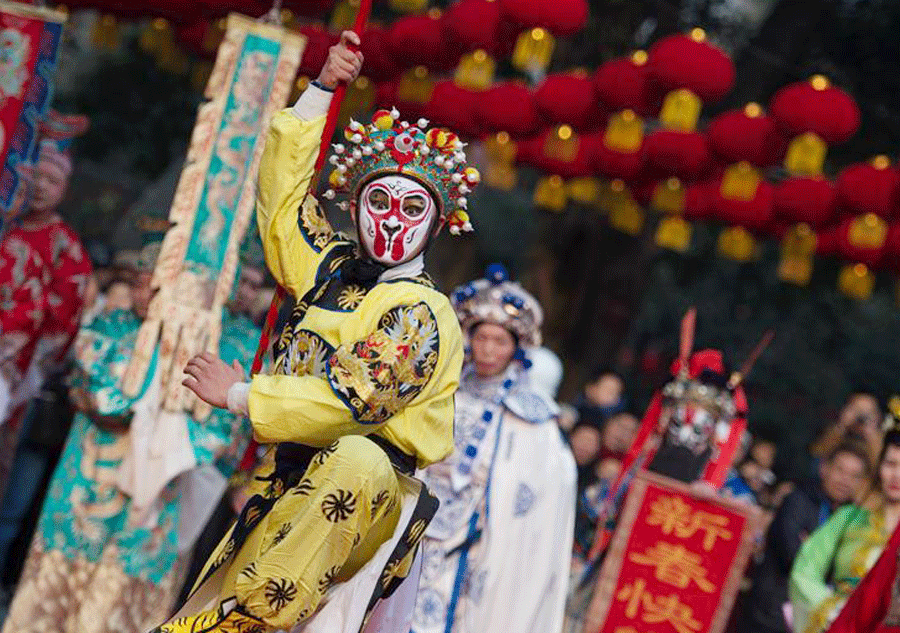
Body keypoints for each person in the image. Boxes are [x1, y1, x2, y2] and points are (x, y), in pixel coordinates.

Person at [159, 31, 479, 633]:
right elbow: (280, 206)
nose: (390, 220)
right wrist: (321, 92)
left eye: (412, 210)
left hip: (358, 494)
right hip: (291, 479)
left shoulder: (422, 312)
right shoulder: (330, 268)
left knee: (354, 460)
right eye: (378, 201)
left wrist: (240, 394)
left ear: (436, 225)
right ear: (354, 208)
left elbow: (352, 401)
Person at [2, 240, 257, 633]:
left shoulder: (228, 345)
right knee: (52, 594)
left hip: (159, 504)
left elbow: (226, 427)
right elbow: (91, 388)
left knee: (124, 593)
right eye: (140, 283)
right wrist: (144, 401)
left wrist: (169, 426)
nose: (145, 295)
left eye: (157, 287)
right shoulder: (112, 326)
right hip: (85, 487)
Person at [410, 265, 577, 633]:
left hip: (476, 536)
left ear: (516, 348)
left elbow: (538, 493)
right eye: (481, 337)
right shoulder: (440, 388)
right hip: (412, 519)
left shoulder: (532, 417)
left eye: (499, 341)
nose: (487, 349)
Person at [0, 112, 92, 486]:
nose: (40, 186)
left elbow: (63, 320)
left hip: (16, 368)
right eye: (35, 176)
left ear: (64, 190)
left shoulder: (66, 248)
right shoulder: (6, 225)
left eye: (51, 180)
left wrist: (24, 365)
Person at [741, 441, 870, 633]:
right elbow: (793, 555)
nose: (845, 480)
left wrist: (811, 547)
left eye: (854, 476)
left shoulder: (855, 521)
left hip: (814, 620)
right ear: (824, 468)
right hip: (772, 615)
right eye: (840, 470)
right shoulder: (798, 500)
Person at [790, 428, 900, 633]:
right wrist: (829, 610)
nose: (896, 475)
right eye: (891, 464)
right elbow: (805, 570)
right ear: (878, 468)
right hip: (837, 622)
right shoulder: (849, 517)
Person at [812, 391, 883, 466]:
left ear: (878, 417)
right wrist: (842, 425)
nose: (861, 417)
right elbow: (817, 456)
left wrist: (871, 434)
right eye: (856, 409)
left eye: (868, 412)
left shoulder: (880, 442)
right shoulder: (832, 431)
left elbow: (880, 470)